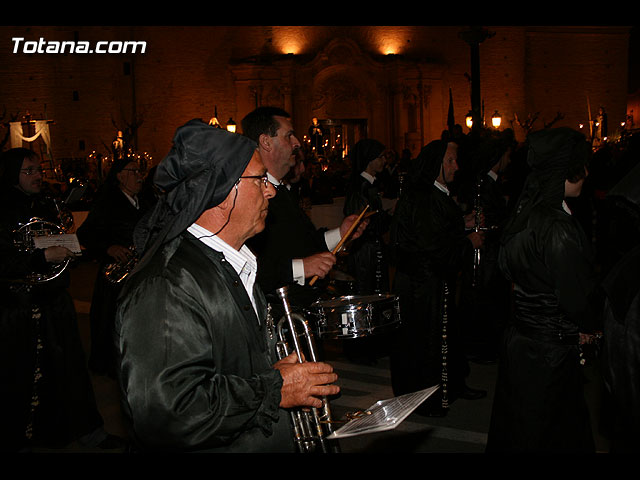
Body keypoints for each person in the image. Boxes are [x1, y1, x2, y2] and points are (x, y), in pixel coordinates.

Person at [114, 119, 340, 452]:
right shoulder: (166, 286)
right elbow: (166, 412)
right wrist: (273, 388)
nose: (271, 190)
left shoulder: (232, 262)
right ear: (220, 193)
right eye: (260, 180)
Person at [486, 127, 599, 453]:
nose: (587, 174)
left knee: (521, 427)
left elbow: (507, 271)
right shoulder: (557, 227)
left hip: (521, 342)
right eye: (581, 167)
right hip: (550, 349)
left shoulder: (524, 215)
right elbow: (575, 295)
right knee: (551, 431)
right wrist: (588, 327)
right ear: (565, 172)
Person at [0, 148, 120, 451]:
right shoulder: (2, 209)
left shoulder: (47, 205)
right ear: (12, 174)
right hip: (19, 308)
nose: (38, 175)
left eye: (38, 169)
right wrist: (41, 257)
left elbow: (61, 244)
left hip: (55, 304)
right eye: (29, 171)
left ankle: (87, 431)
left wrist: (70, 252)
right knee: (21, 377)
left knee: (70, 372)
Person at [389, 139, 486, 417]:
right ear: (436, 164)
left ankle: (453, 385)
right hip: (423, 286)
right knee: (427, 344)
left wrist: (462, 223)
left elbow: (438, 230)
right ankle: (429, 400)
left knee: (446, 338)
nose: (457, 166)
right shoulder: (423, 196)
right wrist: (469, 243)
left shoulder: (435, 193)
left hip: (434, 282)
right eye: (451, 161)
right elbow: (431, 247)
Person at [241, 106, 366, 313]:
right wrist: (300, 268)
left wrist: (342, 233)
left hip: (301, 309)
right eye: (289, 135)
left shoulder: (282, 190)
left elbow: (303, 244)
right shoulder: (250, 196)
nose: (297, 142)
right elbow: (246, 267)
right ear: (266, 142)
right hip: (278, 313)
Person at [76, 157, 154, 378]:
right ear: (120, 176)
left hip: (141, 273)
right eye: (134, 171)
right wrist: (109, 247)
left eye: (141, 171)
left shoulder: (145, 200)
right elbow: (86, 233)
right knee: (112, 321)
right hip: (116, 277)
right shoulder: (107, 201)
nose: (140, 175)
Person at [343, 138, 391, 295]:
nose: (384, 161)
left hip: (371, 249)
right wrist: (386, 218)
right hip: (365, 253)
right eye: (380, 157)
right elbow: (362, 222)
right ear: (370, 159)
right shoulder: (361, 187)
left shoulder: (368, 185)